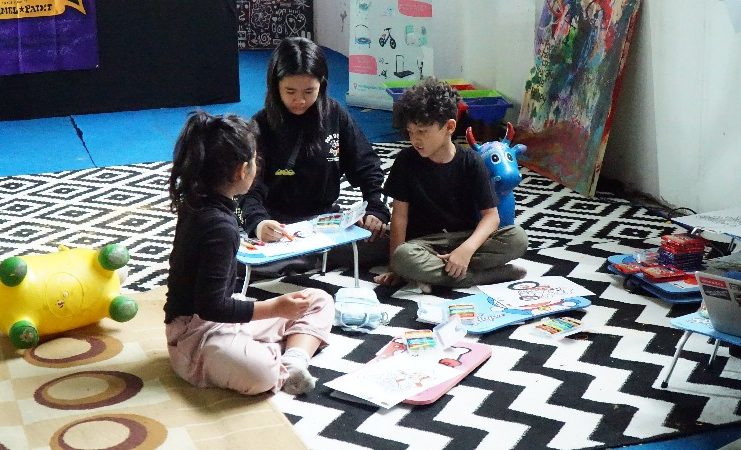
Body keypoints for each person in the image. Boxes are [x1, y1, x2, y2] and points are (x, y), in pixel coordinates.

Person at [164, 111, 334, 396]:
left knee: (318, 300)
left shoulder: (198, 200)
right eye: (256, 159)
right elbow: (210, 307)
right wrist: (275, 308)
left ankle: (293, 362)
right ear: (243, 170)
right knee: (261, 372)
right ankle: (272, 361)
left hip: (222, 319)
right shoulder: (219, 226)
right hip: (194, 335)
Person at [237, 37, 389, 274]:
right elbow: (248, 189)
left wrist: (375, 208)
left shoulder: (334, 114)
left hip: (325, 222)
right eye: (290, 91)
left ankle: (303, 259)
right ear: (275, 87)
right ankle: (308, 258)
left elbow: (366, 165)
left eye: (309, 91)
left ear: (322, 85)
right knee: (232, 260)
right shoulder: (261, 126)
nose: (300, 100)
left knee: (390, 243)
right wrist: (258, 223)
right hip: (277, 224)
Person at [374, 78, 529, 292]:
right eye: (410, 132)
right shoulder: (405, 161)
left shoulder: (471, 161)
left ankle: (437, 274)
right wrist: (395, 268)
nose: (415, 140)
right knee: (402, 257)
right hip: (422, 244)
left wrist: (466, 250)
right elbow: (399, 217)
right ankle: (483, 276)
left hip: (464, 238)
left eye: (422, 131)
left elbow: (491, 217)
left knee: (518, 238)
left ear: (449, 126)